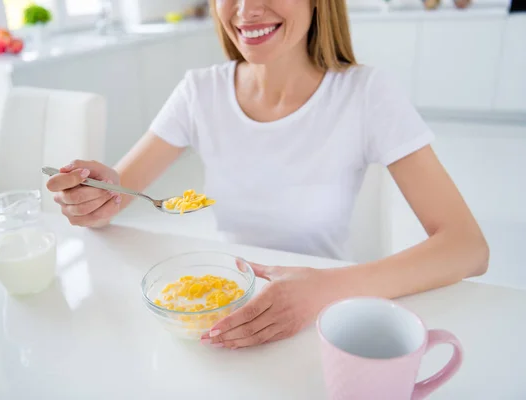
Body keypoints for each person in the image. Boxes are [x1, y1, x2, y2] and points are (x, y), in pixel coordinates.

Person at [46, 0, 489, 349]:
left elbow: (467, 247)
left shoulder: (366, 93)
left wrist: (327, 290)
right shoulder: (200, 91)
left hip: (324, 323)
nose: (247, 9)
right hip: (230, 310)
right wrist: (97, 195)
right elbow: (120, 194)